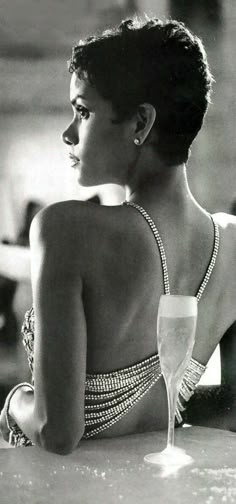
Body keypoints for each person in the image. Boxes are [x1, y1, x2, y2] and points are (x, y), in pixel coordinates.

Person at [1, 16, 236, 454]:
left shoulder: (64, 230)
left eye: (83, 110)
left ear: (140, 123)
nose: (68, 132)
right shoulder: (233, 244)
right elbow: (229, 411)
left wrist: (13, 403)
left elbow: (56, 430)